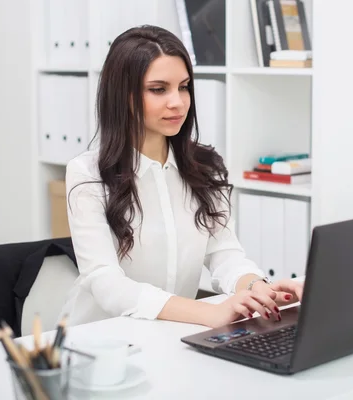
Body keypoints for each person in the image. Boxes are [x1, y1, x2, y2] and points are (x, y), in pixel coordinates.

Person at [60, 25, 304, 328]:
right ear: (122, 96)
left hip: (170, 334)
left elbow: (225, 255)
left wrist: (259, 289)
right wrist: (212, 313)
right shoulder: (87, 174)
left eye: (184, 86)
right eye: (158, 89)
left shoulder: (205, 167)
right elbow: (107, 284)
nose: (178, 102)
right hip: (99, 342)